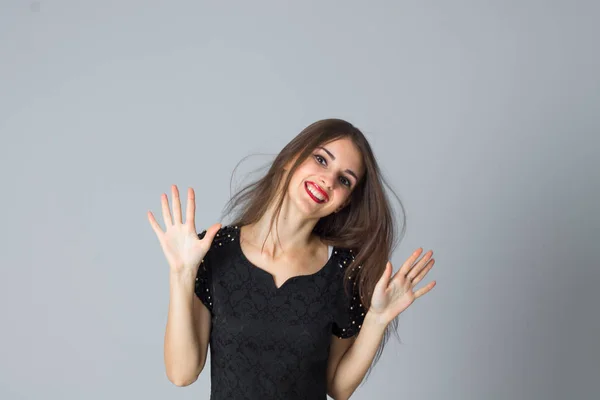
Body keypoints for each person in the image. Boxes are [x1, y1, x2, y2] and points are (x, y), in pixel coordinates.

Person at [147, 118, 437, 399]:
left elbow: (337, 387)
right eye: (321, 160)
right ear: (290, 159)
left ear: (344, 202)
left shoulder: (344, 271)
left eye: (344, 180)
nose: (328, 180)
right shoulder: (213, 250)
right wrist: (182, 273)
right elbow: (181, 373)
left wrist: (377, 319)